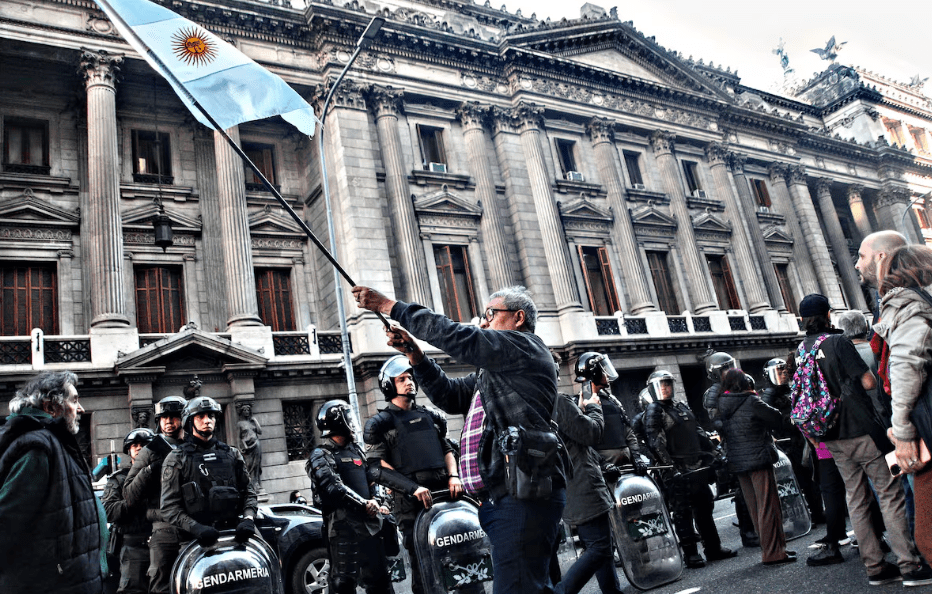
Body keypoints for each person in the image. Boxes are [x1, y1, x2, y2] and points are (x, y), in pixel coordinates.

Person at [353, 284, 567, 594]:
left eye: (490, 314)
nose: (483, 322)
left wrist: (388, 305)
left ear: (518, 318)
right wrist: (415, 355)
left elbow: (457, 336)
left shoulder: (524, 347)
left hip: (523, 495)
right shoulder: (495, 371)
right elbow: (451, 397)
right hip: (502, 497)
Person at [794, 293, 931, 586]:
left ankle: (875, 567)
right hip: (860, 428)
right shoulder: (837, 341)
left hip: (830, 435)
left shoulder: (801, 349)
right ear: (828, 314)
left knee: (855, 498)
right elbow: (867, 381)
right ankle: (908, 563)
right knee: (890, 494)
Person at [0, 370, 107, 594]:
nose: (81, 409)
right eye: (74, 400)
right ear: (51, 408)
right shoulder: (39, 449)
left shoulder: (58, 445)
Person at [308, 400, 430, 594]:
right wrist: (363, 503)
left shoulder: (356, 451)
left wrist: (379, 502)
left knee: (380, 582)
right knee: (343, 584)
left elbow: (372, 480)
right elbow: (333, 487)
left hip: (369, 525)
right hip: (342, 528)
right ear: (338, 422)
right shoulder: (320, 454)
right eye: (347, 417)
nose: (352, 422)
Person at [364, 354, 462, 594]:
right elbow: (376, 466)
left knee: (459, 555)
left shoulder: (432, 416)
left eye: (411, 377)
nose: (410, 382)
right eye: (402, 379)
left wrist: (454, 476)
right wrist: (412, 488)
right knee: (423, 563)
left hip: (444, 495)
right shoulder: (381, 423)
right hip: (411, 505)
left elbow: (447, 449)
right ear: (389, 385)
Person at [874, 243, 932, 566]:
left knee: (926, 534)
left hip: (925, 430)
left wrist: (903, 431)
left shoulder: (906, 304)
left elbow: (906, 366)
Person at [644, 369, 736, 568]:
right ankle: (691, 554)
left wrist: (713, 452)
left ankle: (713, 548)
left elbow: (698, 431)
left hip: (697, 466)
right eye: (662, 385)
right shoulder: (654, 410)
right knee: (682, 513)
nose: (666, 388)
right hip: (678, 470)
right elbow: (656, 443)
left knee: (705, 507)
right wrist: (671, 469)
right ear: (653, 389)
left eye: (668, 384)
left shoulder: (680, 405)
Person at [551, 375, 625, 594]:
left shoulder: (536, 403)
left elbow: (575, 441)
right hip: (581, 482)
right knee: (600, 547)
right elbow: (591, 434)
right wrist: (593, 408)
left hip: (568, 483)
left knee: (601, 545)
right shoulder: (558, 401)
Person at [161, 396, 258, 548]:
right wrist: (195, 528)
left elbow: (249, 492)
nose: (207, 420)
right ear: (190, 421)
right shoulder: (177, 458)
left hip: (235, 532)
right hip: (196, 539)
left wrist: (248, 519)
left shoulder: (232, 453)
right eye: (201, 416)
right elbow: (169, 507)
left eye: (211, 416)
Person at [718, 369, 793, 565]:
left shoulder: (722, 404)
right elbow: (776, 417)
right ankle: (774, 552)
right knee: (768, 506)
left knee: (754, 507)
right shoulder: (751, 401)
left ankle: (770, 548)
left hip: (739, 461)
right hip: (758, 457)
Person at [122, 395, 186, 594]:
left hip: (194, 526)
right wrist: (150, 470)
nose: (168, 421)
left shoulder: (194, 447)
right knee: (161, 585)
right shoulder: (150, 451)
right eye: (163, 417)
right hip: (164, 528)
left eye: (174, 416)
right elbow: (129, 494)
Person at [760, 358, 825, 528]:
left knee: (814, 477)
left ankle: (819, 512)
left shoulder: (793, 389)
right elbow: (767, 418)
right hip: (786, 443)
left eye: (784, 371)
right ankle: (801, 517)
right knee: (794, 483)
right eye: (778, 371)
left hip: (804, 440)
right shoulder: (768, 396)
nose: (782, 375)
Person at [103, 428, 155, 594]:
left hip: (162, 542)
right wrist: (133, 502)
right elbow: (108, 510)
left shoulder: (164, 473)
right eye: (135, 445)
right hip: (133, 546)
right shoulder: (119, 479)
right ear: (129, 450)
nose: (139, 448)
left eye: (144, 445)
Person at [574, 352, 643, 470]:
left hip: (628, 465)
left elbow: (627, 431)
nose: (607, 373)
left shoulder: (612, 400)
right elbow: (582, 441)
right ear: (594, 372)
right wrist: (602, 464)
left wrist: (636, 457)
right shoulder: (578, 403)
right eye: (603, 369)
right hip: (603, 470)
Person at [237, 402, 263, 489]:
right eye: (244, 410)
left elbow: (260, 431)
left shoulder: (252, 422)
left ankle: (256, 484)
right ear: (242, 412)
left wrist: (255, 420)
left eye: (248, 410)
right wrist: (241, 447)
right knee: (248, 465)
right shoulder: (240, 424)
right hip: (247, 448)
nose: (246, 412)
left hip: (256, 445)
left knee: (256, 466)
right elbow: (238, 437)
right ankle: (249, 484)